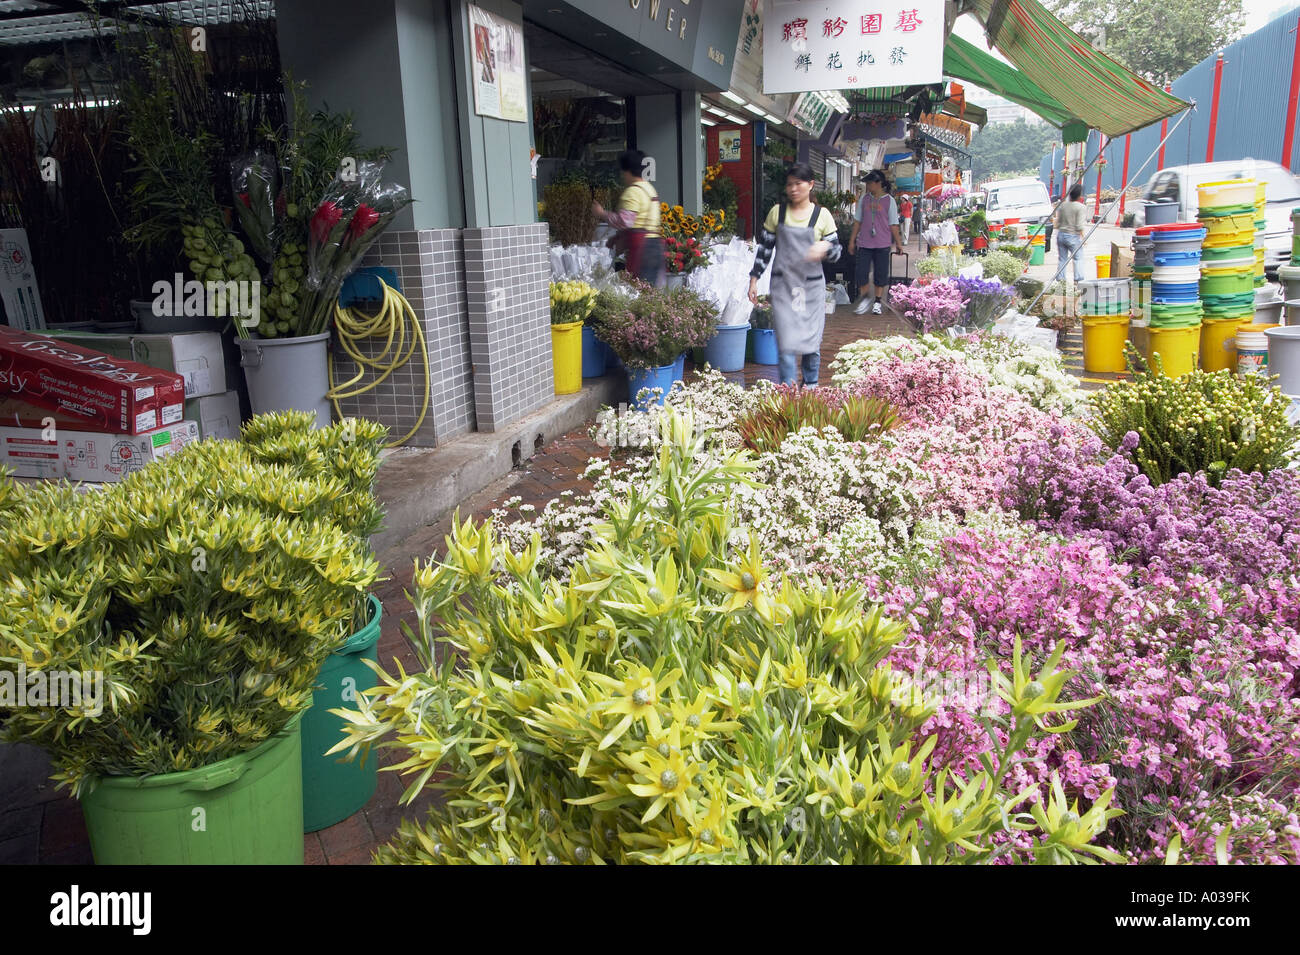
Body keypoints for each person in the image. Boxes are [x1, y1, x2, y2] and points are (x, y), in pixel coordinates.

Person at [747, 163, 842, 387]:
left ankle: (810, 387)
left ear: (810, 185)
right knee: (786, 341)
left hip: (810, 288)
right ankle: (787, 392)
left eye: (798, 184)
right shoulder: (776, 213)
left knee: (811, 341)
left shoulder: (822, 216)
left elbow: (838, 252)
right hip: (784, 286)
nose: (793, 189)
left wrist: (826, 248)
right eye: (789, 184)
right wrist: (754, 279)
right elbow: (765, 250)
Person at [592, 149, 665, 287]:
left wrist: (601, 213)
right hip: (655, 245)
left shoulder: (632, 192)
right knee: (650, 291)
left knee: (638, 291)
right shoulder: (649, 189)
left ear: (626, 171)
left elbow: (625, 221)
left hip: (642, 249)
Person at [849, 170, 904, 315]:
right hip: (864, 243)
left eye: (869, 183)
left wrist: (898, 243)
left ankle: (877, 302)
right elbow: (858, 221)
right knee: (861, 273)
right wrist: (852, 240)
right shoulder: (864, 199)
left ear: (878, 183)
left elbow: (893, 224)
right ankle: (865, 297)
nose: (867, 186)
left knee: (880, 274)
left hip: (882, 243)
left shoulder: (889, 200)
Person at [1053, 183, 1088, 283]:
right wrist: (1084, 238)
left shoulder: (1063, 206)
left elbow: (1058, 222)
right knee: (1078, 258)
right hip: (1072, 235)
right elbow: (1079, 226)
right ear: (1080, 195)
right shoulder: (1080, 207)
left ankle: (1060, 280)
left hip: (1061, 235)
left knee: (1062, 259)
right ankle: (1078, 280)